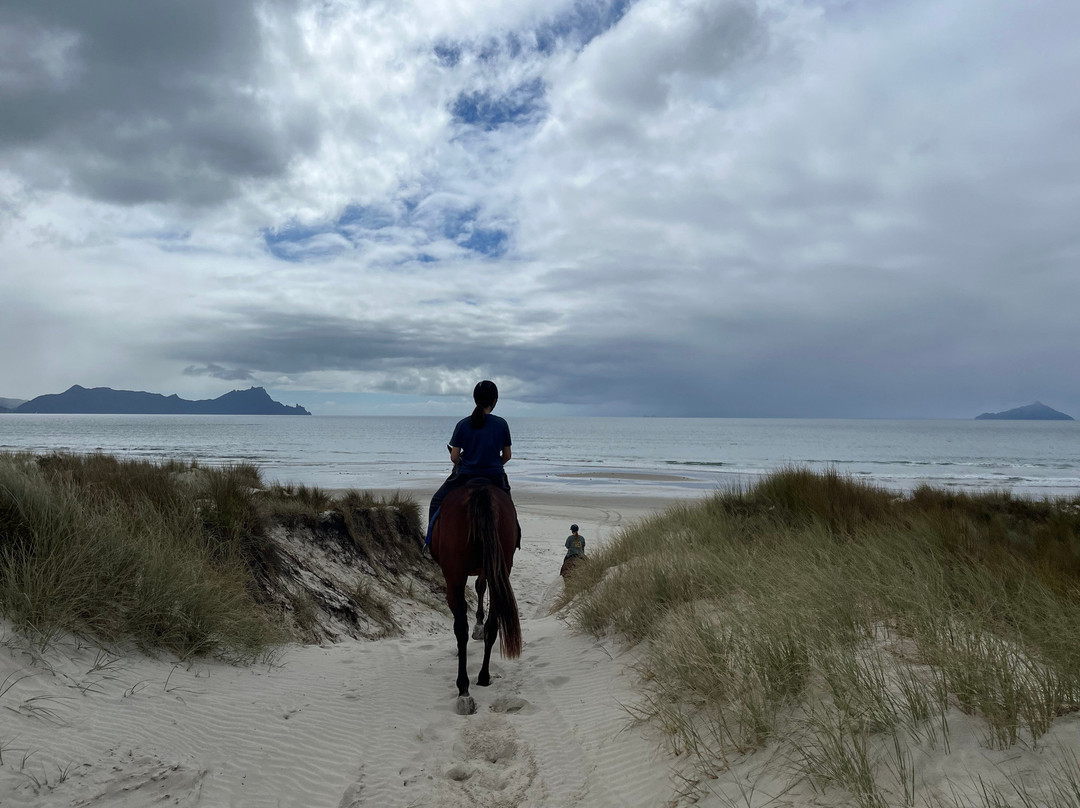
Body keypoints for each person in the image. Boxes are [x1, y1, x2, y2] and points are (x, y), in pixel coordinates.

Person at [426, 380, 513, 545]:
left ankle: (430, 543)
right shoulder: (501, 424)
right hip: (495, 476)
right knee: (509, 509)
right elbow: (507, 455)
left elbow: (454, 457)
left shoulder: (463, 424)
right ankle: (515, 539)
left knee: (436, 502)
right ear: (495, 401)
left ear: (475, 399)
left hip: (465, 476)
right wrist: (495, 462)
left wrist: (463, 462)